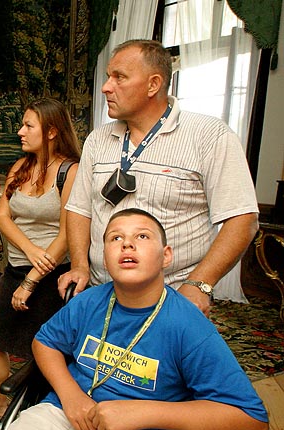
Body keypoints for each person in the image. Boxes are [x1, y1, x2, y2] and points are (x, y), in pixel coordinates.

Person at [0, 208, 269, 430]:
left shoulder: (187, 326)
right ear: (104, 256)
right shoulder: (89, 302)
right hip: (62, 421)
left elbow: (251, 422)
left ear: (166, 255)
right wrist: (71, 396)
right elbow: (44, 342)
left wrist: (142, 413)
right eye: (115, 238)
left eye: (142, 236)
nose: (126, 243)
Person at [58, 39, 259, 316]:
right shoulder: (98, 139)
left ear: (153, 84)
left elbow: (242, 219)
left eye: (119, 77)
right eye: (108, 77)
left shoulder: (209, 136)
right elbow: (80, 210)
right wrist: (79, 265)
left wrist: (200, 284)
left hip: (171, 300)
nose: (106, 87)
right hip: (100, 293)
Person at [0, 98, 80, 421]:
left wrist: (32, 279)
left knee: (44, 348)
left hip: (52, 274)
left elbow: (69, 234)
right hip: (17, 267)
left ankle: (39, 413)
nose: (20, 131)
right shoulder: (20, 166)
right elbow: (2, 217)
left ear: (52, 131)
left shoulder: (71, 171)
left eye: (29, 125)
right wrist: (28, 251)